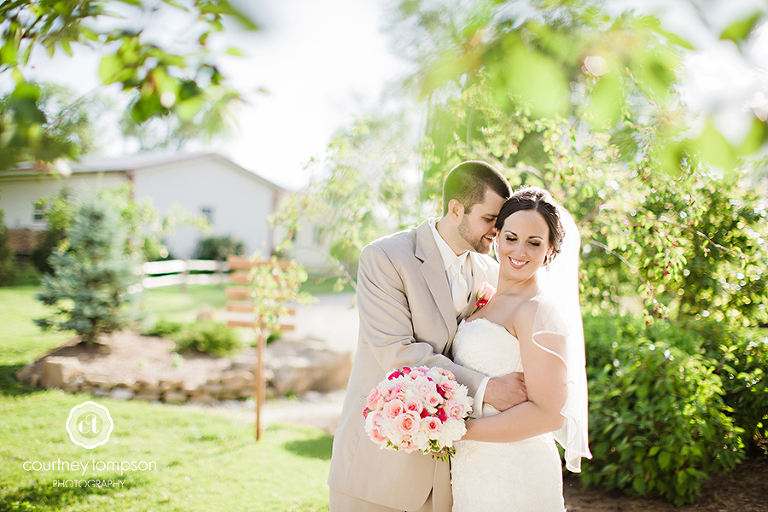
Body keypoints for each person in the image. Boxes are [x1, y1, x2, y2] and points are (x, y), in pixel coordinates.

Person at [328, 161, 529, 512]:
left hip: (451, 474)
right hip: (380, 463)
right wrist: (488, 389)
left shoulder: (490, 271)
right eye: (488, 219)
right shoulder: (385, 257)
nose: (496, 232)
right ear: (456, 209)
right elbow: (398, 353)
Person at [449, 186, 592, 511]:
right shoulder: (487, 299)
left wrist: (459, 429)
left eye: (534, 243)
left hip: (515, 473)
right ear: (496, 235)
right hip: (473, 471)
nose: (519, 251)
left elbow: (549, 414)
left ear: (550, 249)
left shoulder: (538, 310)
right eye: (511, 238)